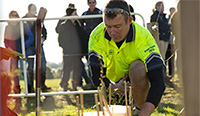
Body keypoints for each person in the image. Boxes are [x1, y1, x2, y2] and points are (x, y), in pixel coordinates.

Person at [88, 1, 166, 115]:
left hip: (133, 78)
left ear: (129, 21)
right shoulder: (96, 35)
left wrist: (144, 113)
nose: (112, 32)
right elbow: (96, 75)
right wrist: (112, 87)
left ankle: (138, 111)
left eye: (117, 26)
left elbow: (158, 82)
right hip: (109, 81)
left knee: (138, 68)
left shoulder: (143, 38)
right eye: (108, 26)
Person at [4, 10, 34, 94]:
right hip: (13, 53)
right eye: (12, 16)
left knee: (23, 69)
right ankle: (17, 89)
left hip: (23, 52)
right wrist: (9, 48)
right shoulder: (7, 27)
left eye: (15, 15)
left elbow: (31, 37)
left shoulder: (24, 25)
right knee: (14, 71)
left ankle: (29, 87)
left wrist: (23, 45)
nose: (14, 17)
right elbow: (5, 40)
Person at [23, 3, 50, 92]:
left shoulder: (38, 19)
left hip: (39, 45)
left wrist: (43, 38)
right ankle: (30, 87)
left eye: (35, 9)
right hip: (29, 47)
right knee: (30, 67)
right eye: (32, 9)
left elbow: (44, 31)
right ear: (28, 9)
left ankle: (42, 85)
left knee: (42, 64)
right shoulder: (23, 19)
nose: (34, 10)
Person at [56, 8, 82, 91]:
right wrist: (65, 47)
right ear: (70, 15)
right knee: (67, 69)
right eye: (75, 13)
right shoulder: (63, 26)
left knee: (77, 69)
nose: (77, 15)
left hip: (77, 52)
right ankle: (64, 84)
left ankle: (75, 84)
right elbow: (60, 39)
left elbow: (82, 37)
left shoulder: (78, 25)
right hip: (68, 52)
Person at [165, 7, 176, 79]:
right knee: (166, 56)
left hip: (173, 40)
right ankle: (166, 72)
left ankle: (172, 73)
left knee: (173, 56)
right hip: (168, 40)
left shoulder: (176, 19)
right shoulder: (167, 19)